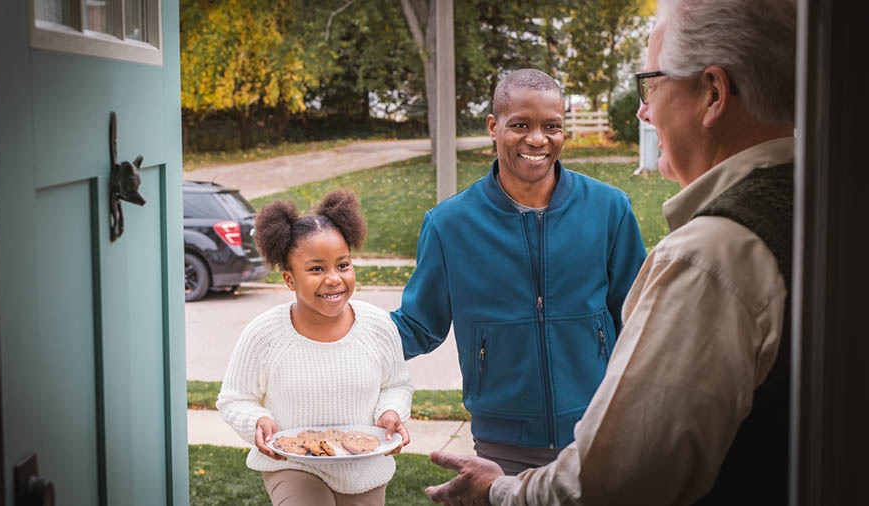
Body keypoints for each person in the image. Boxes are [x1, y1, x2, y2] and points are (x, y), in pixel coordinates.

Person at [423, 0, 797, 504]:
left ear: (713, 93)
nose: (644, 111)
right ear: (495, 127)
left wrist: (495, 494)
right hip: (506, 433)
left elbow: (611, 482)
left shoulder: (709, 255)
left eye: (652, 85)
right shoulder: (823, 208)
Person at [391, 68, 648, 475]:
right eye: (521, 125)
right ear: (494, 127)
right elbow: (418, 325)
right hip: (503, 445)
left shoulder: (609, 209)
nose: (537, 139)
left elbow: (639, 315)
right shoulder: (450, 225)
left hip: (599, 432)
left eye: (552, 126)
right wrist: (338, 331)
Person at [216, 189, 413, 506]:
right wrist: (257, 421)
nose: (334, 278)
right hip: (293, 465)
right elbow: (234, 399)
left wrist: (391, 411)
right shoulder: (265, 333)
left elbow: (397, 384)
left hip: (364, 468)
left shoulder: (377, 326)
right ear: (289, 279)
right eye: (317, 269)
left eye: (343, 265)